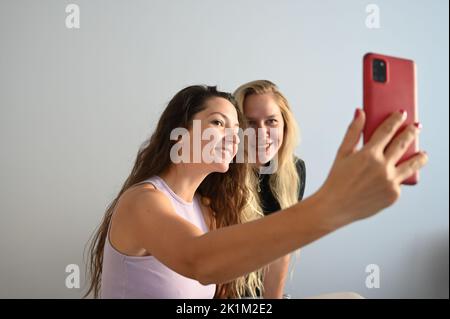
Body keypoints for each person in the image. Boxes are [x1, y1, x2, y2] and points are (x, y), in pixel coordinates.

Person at [84, 85, 427, 299]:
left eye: (237, 128)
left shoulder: (207, 209)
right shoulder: (143, 201)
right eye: (219, 122)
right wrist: (333, 206)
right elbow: (199, 260)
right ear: (180, 133)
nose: (236, 136)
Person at [234, 80, 305, 298]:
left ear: (285, 125)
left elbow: (281, 250)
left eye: (271, 121)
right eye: (250, 123)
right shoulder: (219, 172)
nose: (261, 132)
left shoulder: (294, 170)